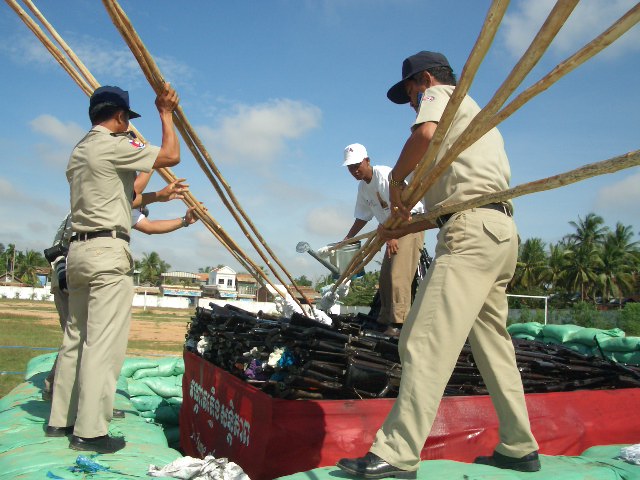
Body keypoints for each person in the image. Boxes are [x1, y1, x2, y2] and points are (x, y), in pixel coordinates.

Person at [337, 51, 540, 478]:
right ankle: (520, 445)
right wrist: (403, 225)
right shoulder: (477, 117)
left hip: (469, 236)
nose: (412, 104)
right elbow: (462, 197)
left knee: (420, 339)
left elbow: (424, 133)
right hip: (498, 232)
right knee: (493, 345)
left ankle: (396, 453)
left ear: (424, 80)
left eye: (411, 93)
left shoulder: (442, 94)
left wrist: (397, 181)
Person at [47, 83, 181, 454]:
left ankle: (62, 420)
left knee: (75, 339)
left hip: (78, 252)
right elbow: (171, 155)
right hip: (107, 251)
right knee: (102, 345)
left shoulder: (80, 152)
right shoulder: (115, 144)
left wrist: (157, 195)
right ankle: (90, 432)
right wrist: (166, 113)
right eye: (126, 120)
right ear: (121, 117)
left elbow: (127, 194)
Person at [42, 194, 199, 401]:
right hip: (77, 274)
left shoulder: (94, 202)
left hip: (68, 273)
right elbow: (148, 225)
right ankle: (80, 399)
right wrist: (161, 197)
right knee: (86, 339)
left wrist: (183, 220)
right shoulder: (111, 203)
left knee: (76, 337)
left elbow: (147, 223)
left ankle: (57, 390)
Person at [341, 143, 424, 336]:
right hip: (391, 231)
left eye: (357, 165)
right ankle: (385, 319)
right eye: (350, 168)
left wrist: (393, 234)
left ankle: (399, 323)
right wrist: (348, 238)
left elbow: (403, 204)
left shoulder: (385, 175)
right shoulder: (363, 188)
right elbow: (362, 216)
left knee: (398, 274)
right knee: (385, 277)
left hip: (409, 223)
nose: (354, 171)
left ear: (367, 161)